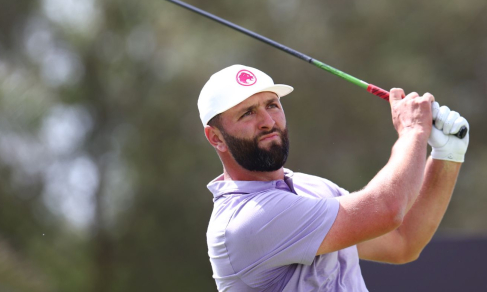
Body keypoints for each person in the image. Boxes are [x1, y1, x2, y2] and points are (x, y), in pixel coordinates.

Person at [198, 64, 470, 292]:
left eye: (272, 105)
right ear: (216, 137)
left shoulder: (313, 187)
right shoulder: (245, 221)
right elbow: (387, 210)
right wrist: (413, 131)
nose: (268, 121)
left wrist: (447, 155)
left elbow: (402, 242)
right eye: (248, 113)